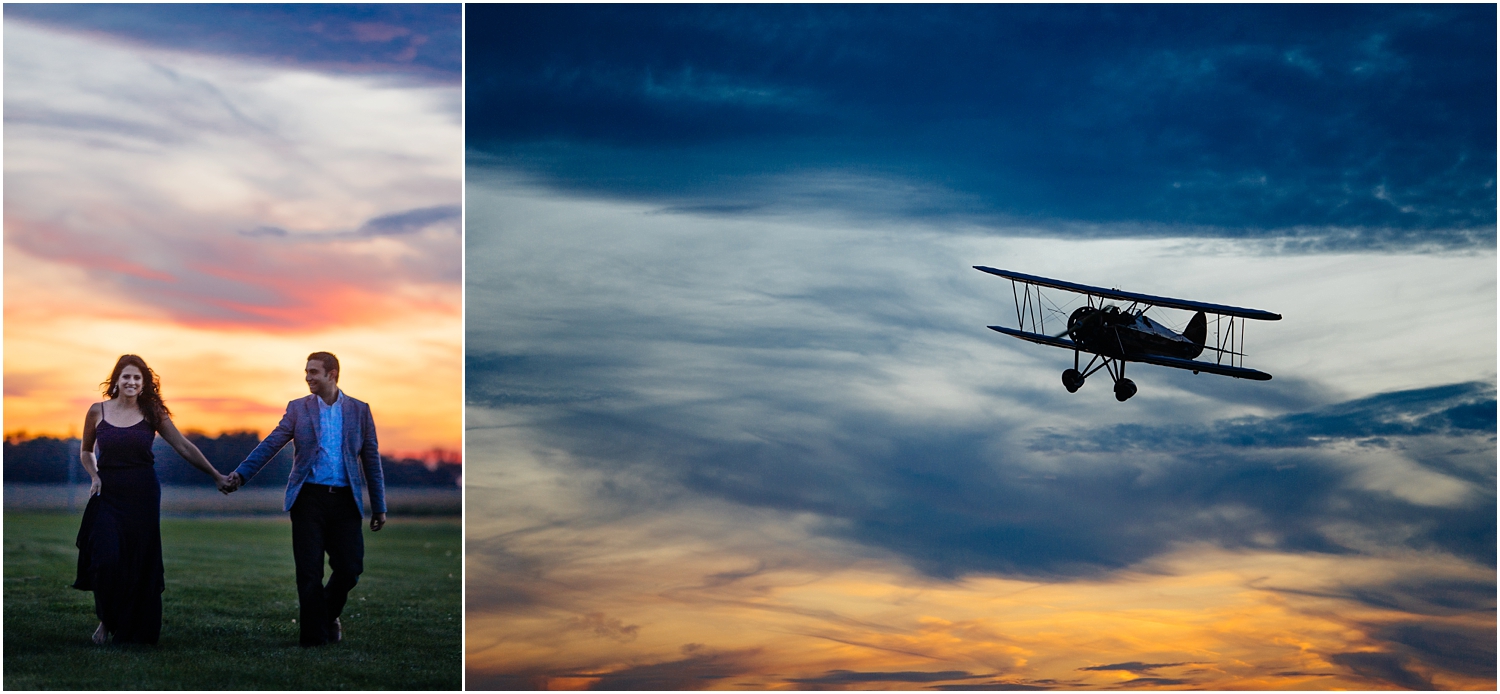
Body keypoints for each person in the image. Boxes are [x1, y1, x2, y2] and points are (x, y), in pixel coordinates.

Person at [223, 352, 386, 647]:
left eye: (314, 372)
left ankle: (326, 616)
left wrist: (379, 506)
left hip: (346, 500)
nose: (308, 377)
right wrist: (241, 474)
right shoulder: (298, 409)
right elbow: (272, 442)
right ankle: (314, 640)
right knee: (309, 571)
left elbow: (371, 458)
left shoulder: (360, 411)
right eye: (306, 372)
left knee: (350, 569)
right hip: (308, 498)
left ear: (332, 374)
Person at [73, 354, 232, 645]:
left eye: (138, 377)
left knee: (137, 563)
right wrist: (94, 475)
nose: (132, 381)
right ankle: (108, 619)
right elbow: (86, 451)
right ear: (116, 380)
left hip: (143, 494)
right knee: (106, 560)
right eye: (127, 376)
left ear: (144, 383)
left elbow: (183, 446)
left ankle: (115, 627)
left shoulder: (152, 412)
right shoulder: (98, 411)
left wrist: (215, 474)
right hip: (107, 493)